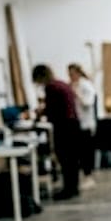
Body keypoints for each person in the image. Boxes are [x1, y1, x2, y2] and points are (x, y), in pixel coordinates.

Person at [32, 64, 82, 200]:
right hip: (73, 124)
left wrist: (39, 114)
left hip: (64, 125)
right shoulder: (60, 84)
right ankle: (73, 187)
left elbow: (52, 110)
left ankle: (68, 190)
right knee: (72, 159)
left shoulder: (51, 87)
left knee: (65, 158)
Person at [67, 64, 98, 189]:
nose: (70, 76)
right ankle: (84, 176)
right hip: (77, 123)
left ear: (78, 73)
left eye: (72, 74)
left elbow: (88, 102)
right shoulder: (73, 85)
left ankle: (88, 176)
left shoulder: (85, 85)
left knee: (86, 153)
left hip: (86, 124)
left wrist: (76, 94)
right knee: (79, 152)